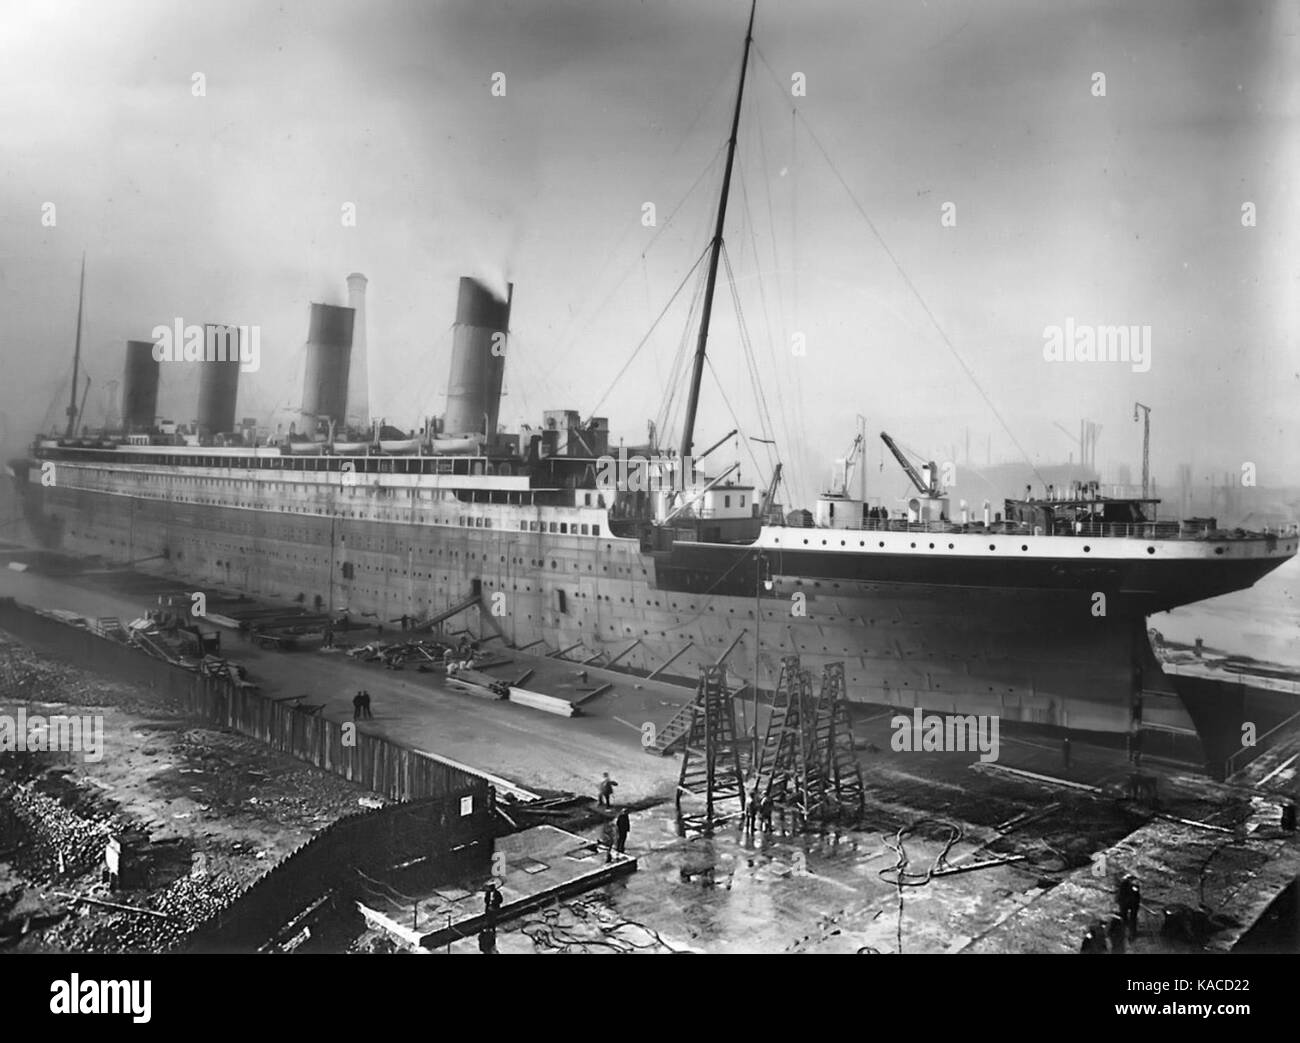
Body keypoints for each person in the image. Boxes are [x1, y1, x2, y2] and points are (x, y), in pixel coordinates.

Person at [1118, 874, 1141, 941]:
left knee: (1127, 919)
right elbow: (1136, 894)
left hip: (1127, 903)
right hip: (1130, 903)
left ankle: (1129, 933)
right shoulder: (1128, 885)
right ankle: (1131, 933)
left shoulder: (1124, 884)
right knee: (1131, 918)